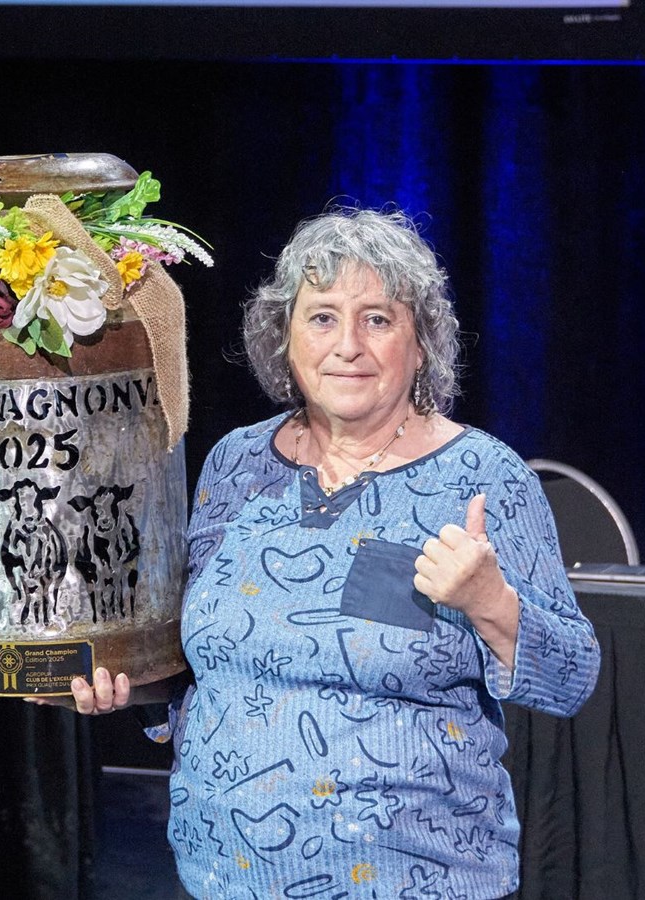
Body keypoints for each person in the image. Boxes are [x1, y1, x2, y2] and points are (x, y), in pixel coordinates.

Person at [65, 207, 599, 899]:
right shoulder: (237, 463)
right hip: (223, 876)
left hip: (413, 880)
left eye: (378, 319)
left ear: (422, 344)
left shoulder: (485, 478)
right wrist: (128, 686)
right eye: (321, 317)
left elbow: (573, 677)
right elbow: (208, 662)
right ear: (283, 338)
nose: (348, 344)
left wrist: (490, 603)